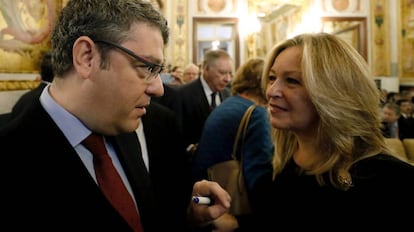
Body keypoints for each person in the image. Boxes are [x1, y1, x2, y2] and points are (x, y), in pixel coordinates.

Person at [0, 0, 230, 231]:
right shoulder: (13, 155)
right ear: (87, 57)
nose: (159, 88)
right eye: (147, 67)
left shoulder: (122, 127)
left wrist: (191, 210)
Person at [249, 32, 414, 229]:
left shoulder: (395, 183)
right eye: (271, 77)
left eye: (292, 81)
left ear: (333, 92)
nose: (271, 91)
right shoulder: (274, 174)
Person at [192, 58, 274, 231]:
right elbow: (260, 180)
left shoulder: (230, 104)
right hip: (228, 211)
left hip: (206, 201)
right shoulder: (256, 113)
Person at [177, 49, 233, 154]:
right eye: (222, 73)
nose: (228, 79)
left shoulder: (228, 94)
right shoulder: (182, 95)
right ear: (206, 69)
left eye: (230, 73)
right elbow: (176, 133)